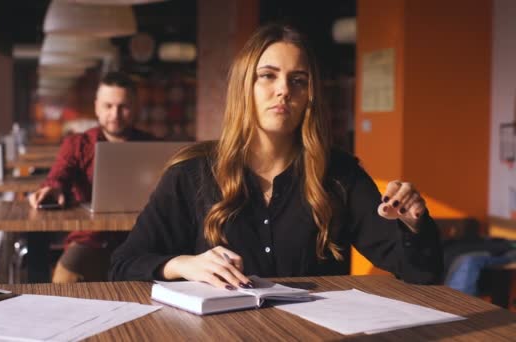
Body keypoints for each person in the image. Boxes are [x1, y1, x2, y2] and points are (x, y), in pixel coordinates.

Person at [110, 24, 443, 289]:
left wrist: (412, 223)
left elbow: (423, 274)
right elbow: (123, 265)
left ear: (309, 95)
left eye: (298, 80)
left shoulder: (340, 174)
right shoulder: (191, 173)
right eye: (267, 76)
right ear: (245, 87)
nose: (284, 89)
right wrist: (184, 264)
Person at [29, 71, 155, 283]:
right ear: (97, 107)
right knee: (65, 277)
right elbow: (59, 175)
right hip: (92, 239)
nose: (115, 114)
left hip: (144, 239)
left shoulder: (153, 146)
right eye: (108, 106)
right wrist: (53, 188)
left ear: (136, 108)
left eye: (123, 106)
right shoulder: (77, 144)